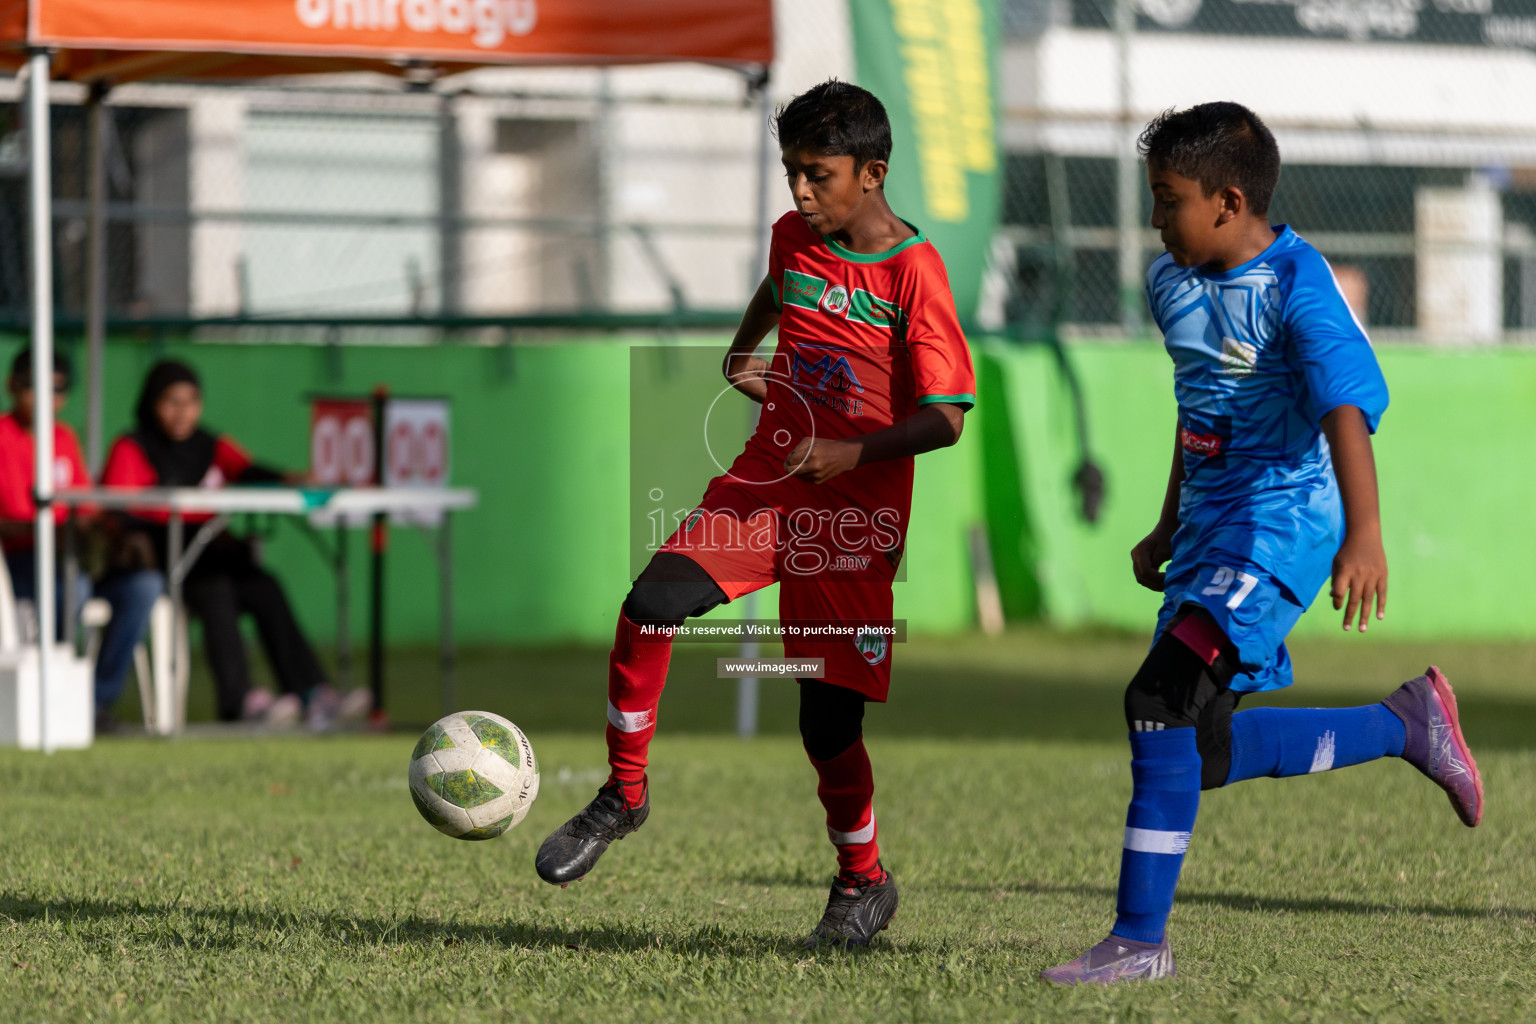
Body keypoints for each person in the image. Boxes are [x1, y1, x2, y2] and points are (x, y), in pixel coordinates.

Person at [1040, 103, 1483, 985]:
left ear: (1229, 201)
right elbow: (1196, 400)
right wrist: (1169, 523)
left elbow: (1344, 409)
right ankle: (1403, 725)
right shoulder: (1174, 282)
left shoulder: (1296, 286)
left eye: (1168, 201)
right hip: (1211, 529)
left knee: (1156, 698)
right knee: (1197, 751)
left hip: (1281, 529)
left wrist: (1365, 534)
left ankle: (1137, 942)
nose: (1156, 220)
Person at [534, 80, 976, 948]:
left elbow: (949, 415)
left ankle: (864, 880)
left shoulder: (912, 272)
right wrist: (744, 353)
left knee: (826, 723)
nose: (800, 193)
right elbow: (778, 289)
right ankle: (624, 795)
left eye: (818, 176)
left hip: (852, 519)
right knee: (651, 605)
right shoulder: (792, 238)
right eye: (790, 173)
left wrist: (853, 452)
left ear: (873, 173)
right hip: (767, 483)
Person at [100, 359, 369, 730]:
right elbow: (115, 510)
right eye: (171, 401)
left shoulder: (209, 444)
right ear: (151, 403)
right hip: (165, 559)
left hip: (211, 552)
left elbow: (245, 468)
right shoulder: (131, 447)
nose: (182, 412)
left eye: (191, 401)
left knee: (265, 586)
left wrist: (289, 478)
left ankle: (312, 692)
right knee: (218, 591)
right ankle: (239, 701)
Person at [0, 348, 162, 735]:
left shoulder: (63, 437)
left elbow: (85, 509)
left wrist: (115, 537)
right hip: (20, 565)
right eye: (33, 387)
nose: (45, 398)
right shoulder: (4, 436)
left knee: (144, 587)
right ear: (12, 386)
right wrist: (52, 534)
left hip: (73, 560)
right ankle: (49, 698)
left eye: (56, 389)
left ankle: (94, 702)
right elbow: (12, 522)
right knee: (71, 585)